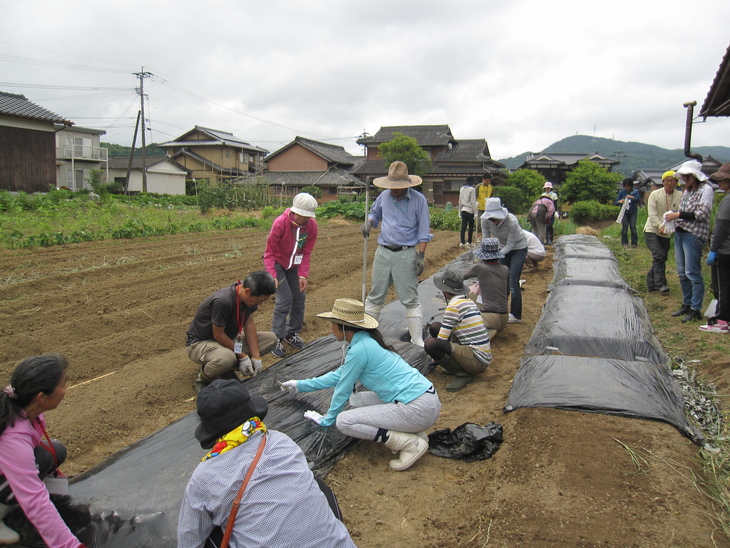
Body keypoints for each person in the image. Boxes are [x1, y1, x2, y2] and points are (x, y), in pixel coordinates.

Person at [177, 379, 355, 548]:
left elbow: (189, 540)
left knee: (211, 530)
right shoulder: (280, 440)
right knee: (316, 485)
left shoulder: (204, 478)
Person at [280, 298, 441, 471]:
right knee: (356, 400)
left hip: (418, 408)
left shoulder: (359, 350)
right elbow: (339, 376)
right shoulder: (366, 342)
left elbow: (342, 388)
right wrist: (299, 385)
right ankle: (414, 431)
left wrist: (328, 419)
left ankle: (409, 443)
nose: (331, 329)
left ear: (343, 327)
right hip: (425, 400)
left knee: (343, 422)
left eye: (333, 324)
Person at [0, 354, 86, 548]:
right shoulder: (13, 440)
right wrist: (71, 545)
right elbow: (35, 502)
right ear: (41, 396)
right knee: (40, 462)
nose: (65, 390)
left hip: (9, 462)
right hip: (8, 466)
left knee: (53, 452)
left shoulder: (27, 411)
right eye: (63, 385)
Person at [361, 161, 432, 346]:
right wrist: (369, 222)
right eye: (391, 187)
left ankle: (417, 339)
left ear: (406, 186)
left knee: (410, 298)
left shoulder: (418, 200)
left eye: (397, 187)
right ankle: (367, 336)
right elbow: (375, 214)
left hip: (405, 253)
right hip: (383, 252)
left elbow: (424, 231)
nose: (393, 190)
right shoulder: (384, 196)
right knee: (375, 294)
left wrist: (421, 256)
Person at [186, 271, 278, 392]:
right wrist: (243, 357)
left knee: (271, 339)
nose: (260, 304)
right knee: (226, 358)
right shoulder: (223, 301)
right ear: (247, 291)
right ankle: (204, 379)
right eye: (259, 300)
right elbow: (218, 334)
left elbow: (249, 325)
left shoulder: (249, 299)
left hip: (228, 338)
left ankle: (225, 371)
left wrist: (256, 357)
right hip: (201, 342)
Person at [264, 192, 319, 359]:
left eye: (307, 217)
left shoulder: (311, 226)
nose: (304, 220)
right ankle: (276, 338)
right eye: (302, 216)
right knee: (285, 299)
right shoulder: (281, 223)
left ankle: (291, 332)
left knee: (299, 298)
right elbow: (269, 252)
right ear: (294, 212)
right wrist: (273, 275)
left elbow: (306, 252)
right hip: (278, 264)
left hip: (294, 266)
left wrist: (303, 275)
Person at [425, 268, 492, 392]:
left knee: (431, 345)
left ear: (446, 291)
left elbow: (442, 339)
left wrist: (435, 358)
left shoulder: (454, 306)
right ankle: (457, 364)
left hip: (477, 361)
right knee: (435, 327)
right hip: (482, 355)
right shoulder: (467, 301)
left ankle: (462, 374)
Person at [665, 160, 715, 323]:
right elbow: (682, 211)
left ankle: (695, 308)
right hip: (681, 233)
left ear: (694, 176)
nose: (684, 179)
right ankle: (686, 304)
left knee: (692, 272)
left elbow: (702, 213)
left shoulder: (706, 189)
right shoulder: (687, 191)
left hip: (694, 234)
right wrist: (674, 215)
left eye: (687, 176)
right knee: (681, 272)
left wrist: (678, 215)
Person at [480, 197, 528, 324]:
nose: (493, 221)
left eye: (495, 218)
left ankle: (516, 315)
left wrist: (494, 256)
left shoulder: (511, 221)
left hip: (518, 248)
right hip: (501, 247)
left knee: (513, 281)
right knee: (501, 281)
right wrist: (485, 257)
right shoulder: (485, 221)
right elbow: (486, 240)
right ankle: (500, 310)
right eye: (491, 218)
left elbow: (510, 245)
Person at [700, 163, 730, 333]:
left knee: (723, 287)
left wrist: (713, 249)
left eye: (722, 179)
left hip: (724, 251)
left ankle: (722, 321)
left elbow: (720, 229)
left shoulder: (727, 202)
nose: (720, 182)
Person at [643, 170, 682, 293]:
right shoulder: (655, 194)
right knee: (658, 255)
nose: (670, 183)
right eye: (667, 180)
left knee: (662, 257)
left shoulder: (680, 196)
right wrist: (660, 225)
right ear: (663, 182)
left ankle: (651, 283)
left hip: (667, 231)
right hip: (652, 230)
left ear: (676, 182)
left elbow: (680, 213)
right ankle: (661, 284)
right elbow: (652, 214)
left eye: (672, 180)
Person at [464, 238, 510, 341]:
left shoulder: (479, 267)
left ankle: (486, 331)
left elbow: (461, 277)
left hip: (490, 317)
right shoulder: (505, 269)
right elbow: (507, 293)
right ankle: (490, 327)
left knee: (467, 298)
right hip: (504, 318)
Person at [615, 178, 642, 248]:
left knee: (633, 227)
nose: (627, 187)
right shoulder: (621, 193)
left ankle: (634, 243)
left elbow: (638, 200)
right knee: (625, 227)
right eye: (626, 186)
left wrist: (632, 197)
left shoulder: (635, 192)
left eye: (628, 186)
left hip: (633, 212)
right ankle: (624, 243)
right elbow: (616, 202)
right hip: (624, 212)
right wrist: (620, 201)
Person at [458, 177, 478, 247]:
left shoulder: (462, 189)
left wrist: (459, 212)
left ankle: (462, 242)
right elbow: (473, 202)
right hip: (470, 211)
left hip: (463, 210)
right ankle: (469, 242)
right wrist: (475, 213)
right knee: (471, 227)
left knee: (463, 227)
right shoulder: (472, 189)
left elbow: (460, 201)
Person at [475, 173, 494, 239]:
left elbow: (491, 197)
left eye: (489, 181)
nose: (488, 182)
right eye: (487, 180)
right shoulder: (478, 186)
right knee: (479, 223)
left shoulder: (491, 187)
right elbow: (475, 196)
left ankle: (487, 236)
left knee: (489, 222)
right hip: (480, 207)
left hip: (488, 208)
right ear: (483, 179)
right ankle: (479, 237)